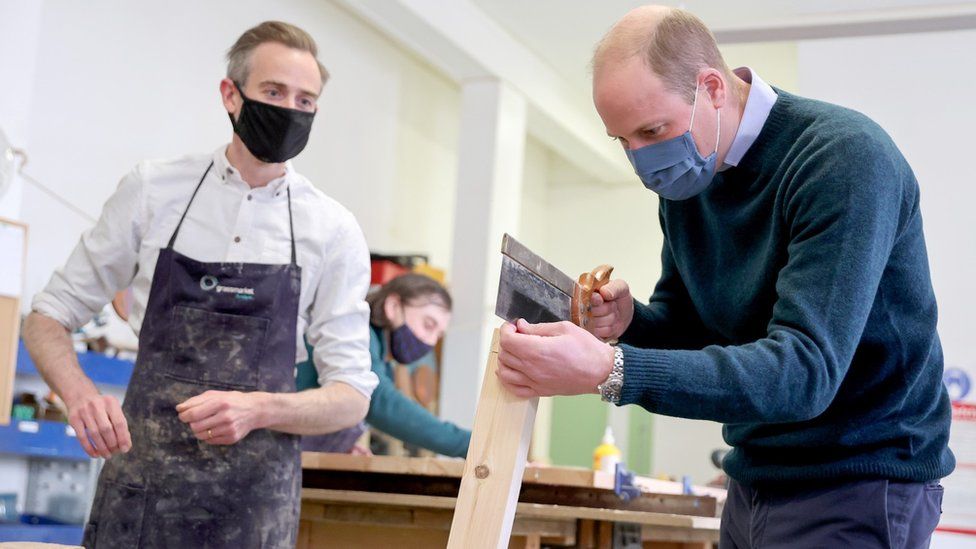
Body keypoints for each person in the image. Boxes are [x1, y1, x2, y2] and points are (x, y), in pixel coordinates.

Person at [495, 6, 953, 548]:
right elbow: (694, 329)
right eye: (623, 141)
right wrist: (628, 323)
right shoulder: (691, 184)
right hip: (755, 475)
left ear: (712, 87)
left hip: (857, 477)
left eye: (652, 130)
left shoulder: (842, 159)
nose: (643, 163)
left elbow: (803, 373)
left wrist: (610, 368)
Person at [22, 21, 378, 548]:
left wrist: (262, 408)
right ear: (231, 95)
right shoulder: (153, 190)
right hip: (139, 493)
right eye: (274, 92)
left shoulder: (333, 229)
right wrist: (79, 397)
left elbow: (351, 395)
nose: (290, 110)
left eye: (306, 100)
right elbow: (47, 315)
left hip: (255, 506)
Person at [297, 273, 471, 458]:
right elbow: (378, 400)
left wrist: (339, 443)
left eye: (439, 335)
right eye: (428, 325)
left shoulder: (382, 361)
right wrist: (467, 444)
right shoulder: (358, 334)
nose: (430, 341)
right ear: (393, 306)